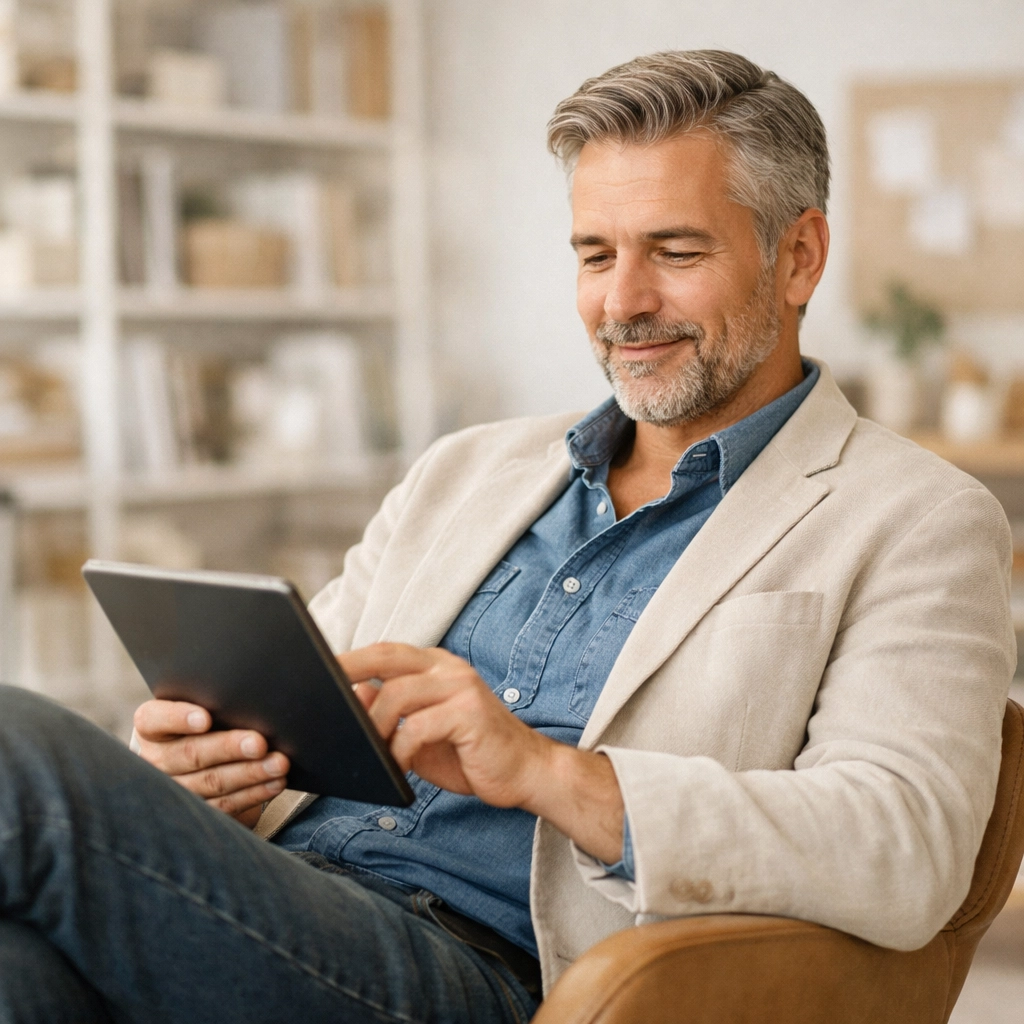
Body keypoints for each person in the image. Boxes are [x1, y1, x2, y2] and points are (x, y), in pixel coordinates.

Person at [0, 50, 1014, 1024]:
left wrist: (545, 772)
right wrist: (194, 774)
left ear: (798, 256)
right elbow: (310, 709)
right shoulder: (463, 470)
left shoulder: (916, 518)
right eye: (594, 254)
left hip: (478, 973)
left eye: (674, 250)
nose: (622, 302)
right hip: (273, 908)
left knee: (20, 748)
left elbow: (903, 847)